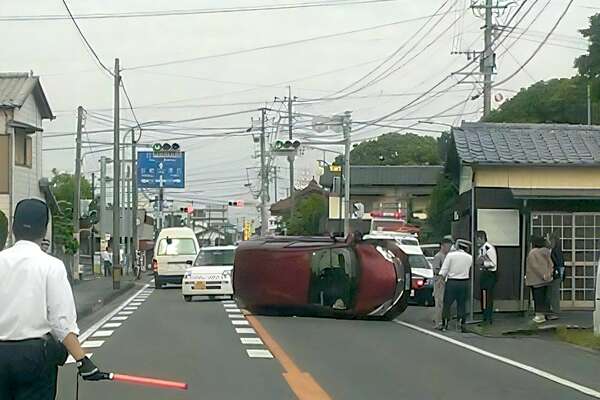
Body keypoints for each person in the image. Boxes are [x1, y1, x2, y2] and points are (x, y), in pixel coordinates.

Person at [0, 198, 106, 399]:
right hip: (34, 359)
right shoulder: (51, 266)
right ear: (45, 229)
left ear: (14, 227)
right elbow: (62, 323)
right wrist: (82, 361)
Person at [439, 242, 473, 332]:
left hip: (452, 281)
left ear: (457, 246)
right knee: (462, 304)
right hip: (464, 281)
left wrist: (442, 279)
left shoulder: (450, 256)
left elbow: (444, 270)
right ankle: (461, 323)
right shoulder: (469, 257)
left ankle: (445, 324)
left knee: (447, 304)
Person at [526, 235, 554, 323]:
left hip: (535, 280)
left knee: (537, 298)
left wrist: (542, 275)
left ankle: (539, 315)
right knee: (544, 297)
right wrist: (548, 274)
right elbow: (551, 264)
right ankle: (546, 314)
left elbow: (534, 266)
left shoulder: (533, 253)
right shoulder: (547, 252)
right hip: (546, 280)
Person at [476, 230, 498, 325]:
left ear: (481, 238)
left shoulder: (489, 248)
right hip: (484, 274)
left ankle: (488, 318)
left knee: (487, 297)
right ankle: (485, 316)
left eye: (477, 239)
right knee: (483, 296)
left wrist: (483, 263)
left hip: (489, 275)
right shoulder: (481, 249)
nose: (476, 242)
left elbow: (493, 264)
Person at [431, 237, 453, 329]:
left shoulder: (449, 256)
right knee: (439, 302)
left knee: (444, 302)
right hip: (440, 281)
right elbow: (436, 270)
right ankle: (438, 322)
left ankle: (443, 319)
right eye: (448, 246)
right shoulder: (438, 256)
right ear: (443, 246)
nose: (449, 248)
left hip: (447, 281)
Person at [547, 231, 564, 320]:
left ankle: (555, 312)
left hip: (555, 274)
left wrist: (559, 274)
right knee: (553, 293)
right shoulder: (556, 249)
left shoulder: (555, 250)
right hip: (556, 274)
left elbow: (559, 263)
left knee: (554, 294)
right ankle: (554, 311)